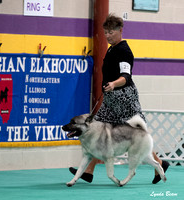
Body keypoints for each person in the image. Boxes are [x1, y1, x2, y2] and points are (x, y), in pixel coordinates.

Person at [69, 14, 169, 184]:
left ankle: (159, 164)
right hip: (110, 99)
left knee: (137, 135)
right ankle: (89, 171)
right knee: (96, 130)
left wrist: (114, 84)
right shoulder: (112, 48)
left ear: (120, 30)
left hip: (124, 100)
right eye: (105, 32)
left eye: (111, 32)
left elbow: (126, 76)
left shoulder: (124, 51)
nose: (107, 36)